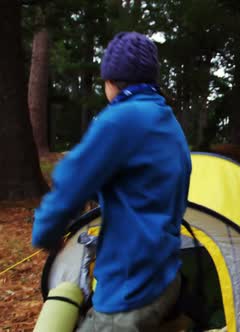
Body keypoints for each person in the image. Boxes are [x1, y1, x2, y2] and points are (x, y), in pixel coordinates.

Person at [32, 32, 192, 331]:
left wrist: (47, 231)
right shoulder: (166, 121)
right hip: (165, 274)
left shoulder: (119, 119)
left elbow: (71, 179)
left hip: (129, 287)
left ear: (111, 81)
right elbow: (140, 184)